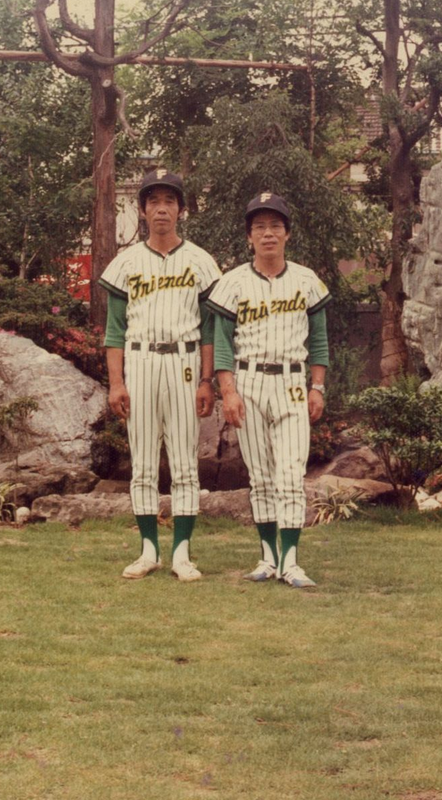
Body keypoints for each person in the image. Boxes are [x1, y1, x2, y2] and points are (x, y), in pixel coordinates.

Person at [99, 169, 221, 582]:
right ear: (143, 209)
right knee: (144, 463)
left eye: (170, 201)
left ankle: (182, 554)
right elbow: (114, 331)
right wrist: (116, 382)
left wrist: (208, 380)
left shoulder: (201, 261)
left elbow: (210, 328)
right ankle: (149, 550)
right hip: (141, 362)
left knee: (186, 463)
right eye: (154, 201)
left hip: (184, 363)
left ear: (181, 210)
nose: (162, 208)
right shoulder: (127, 262)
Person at [206, 192, 330, 588]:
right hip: (250, 380)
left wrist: (318, 387)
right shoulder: (233, 282)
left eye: (275, 226)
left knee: (290, 474)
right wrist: (228, 390)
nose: (268, 233)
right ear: (249, 236)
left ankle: (292, 561)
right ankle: (268, 558)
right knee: (259, 475)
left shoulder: (306, 280)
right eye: (259, 227)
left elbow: (320, 340)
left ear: (287, 233)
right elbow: (223, 342)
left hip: (293, 381)